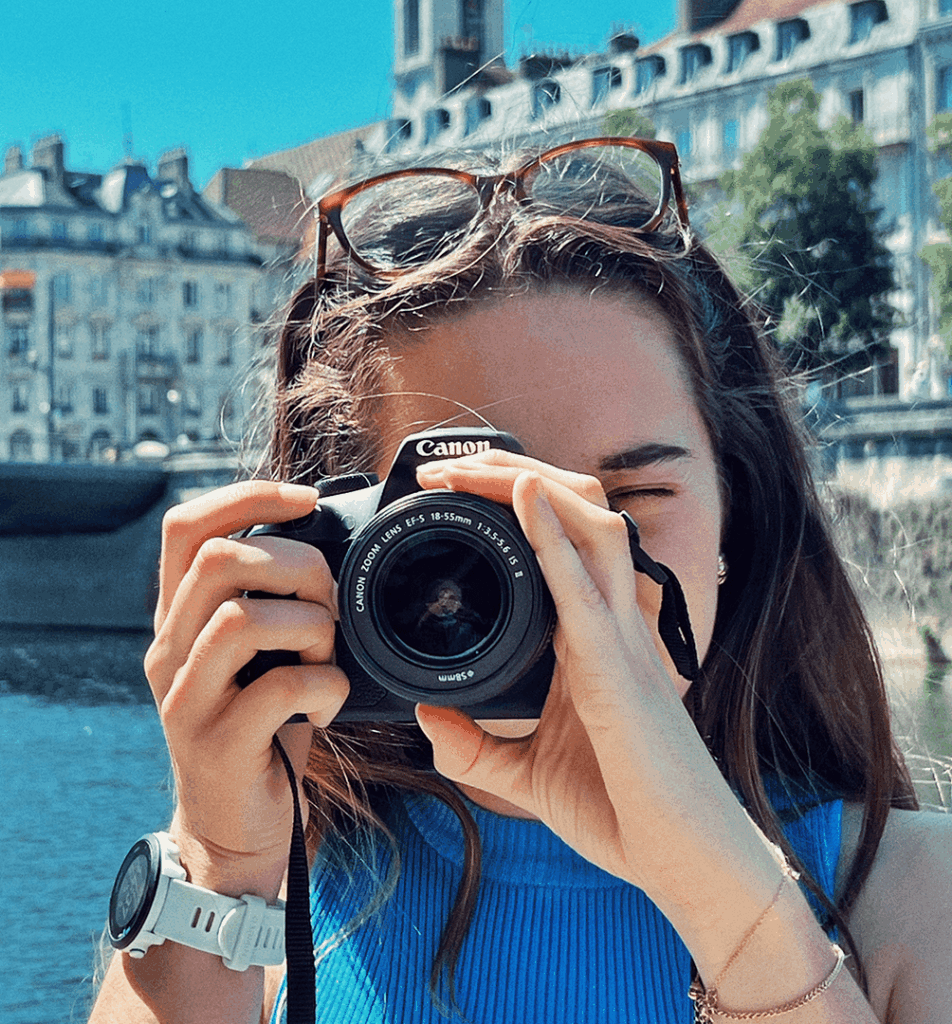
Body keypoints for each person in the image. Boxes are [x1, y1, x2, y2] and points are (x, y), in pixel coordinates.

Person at [90, 137, 952, 1024]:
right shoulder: (267, 897)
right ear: (343, 550)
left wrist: (727, 896)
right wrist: (218, 857)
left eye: (632, 497)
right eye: (474, 515)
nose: (561, 567)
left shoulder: (915, 900)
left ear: (742, 513)